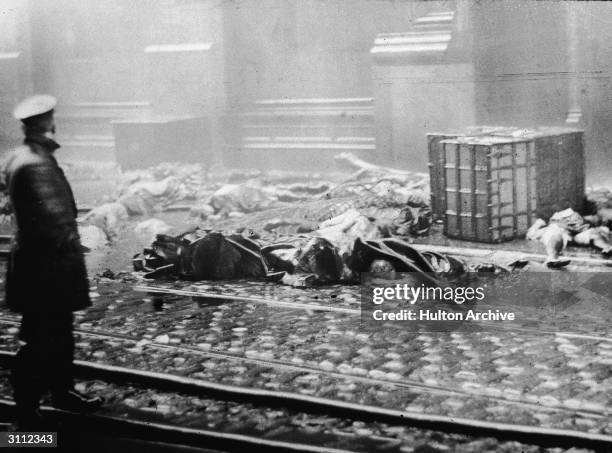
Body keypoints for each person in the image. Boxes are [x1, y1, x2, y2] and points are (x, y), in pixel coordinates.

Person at [3, 95, 103, 430]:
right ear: (48, 123)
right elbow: (55, 222)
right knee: (44, 338)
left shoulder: (21, 156)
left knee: (54, 333)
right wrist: (73, 251)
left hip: (36, 265)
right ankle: (27, 417)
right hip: (49, 268)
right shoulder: (38, 163)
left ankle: (61, 394)